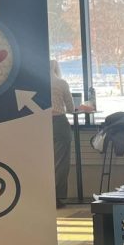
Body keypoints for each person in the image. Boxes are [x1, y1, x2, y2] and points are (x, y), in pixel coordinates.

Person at [50, 61, 74, 206]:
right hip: (59, 123)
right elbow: (71, 108)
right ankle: (58, 198)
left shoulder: (37, 84)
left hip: (40, 125)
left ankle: (44, 194)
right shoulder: (61, 83)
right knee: (60, 162)